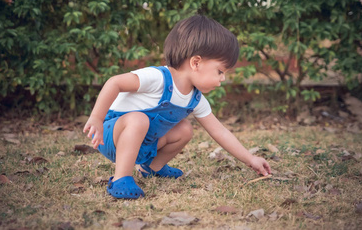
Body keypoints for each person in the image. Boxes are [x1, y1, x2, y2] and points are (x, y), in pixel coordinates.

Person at [83, 15, 271, 199]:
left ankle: (151, 168)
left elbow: (219, 132)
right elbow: (114, 82)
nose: (223, 78)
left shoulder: (195, 99)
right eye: (220, 71)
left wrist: (250, 159)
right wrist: (97, 119)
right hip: (111, 136)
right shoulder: (157, 78)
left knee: (184, 129)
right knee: (138, 119)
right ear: (195, 63)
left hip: (144, 143)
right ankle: (121, 178)